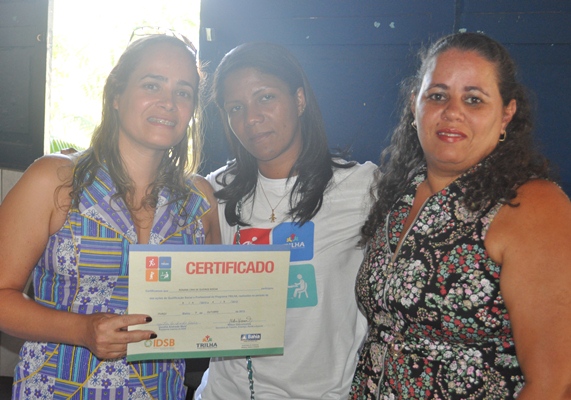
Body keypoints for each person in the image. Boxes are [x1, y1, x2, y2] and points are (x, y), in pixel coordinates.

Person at [350, 31, 571, 399]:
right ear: (414, 105)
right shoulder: (398, 193)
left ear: (506, 114)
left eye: (474, 99)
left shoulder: (533, 206)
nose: (452, 112)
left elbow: (555, 384)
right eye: (437, 96)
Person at [0, 32, 220, 399]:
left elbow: (210, 305)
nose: (168, 102)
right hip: (59, 388)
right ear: (116, 95)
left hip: (159, 391)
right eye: (152, 85)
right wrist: (82, 330)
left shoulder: (199, 200)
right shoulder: (55, 180)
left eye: (183, 92)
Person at [194, 42, 376, 399]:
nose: (251, 118)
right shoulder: (212, 193)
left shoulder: (362, 187)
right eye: (235, 108)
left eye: (265, 97)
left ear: (299, 99)